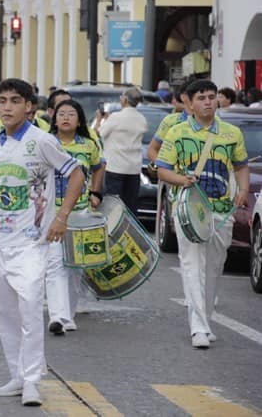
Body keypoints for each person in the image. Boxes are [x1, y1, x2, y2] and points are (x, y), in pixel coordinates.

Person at [0, 78, 85, 406]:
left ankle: (32, 381)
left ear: (29, 106)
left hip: (33, 242)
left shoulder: (42, 141)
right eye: (2, 100)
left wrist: (61, 217)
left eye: (15, 100)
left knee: (28, 309)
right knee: (5, 313)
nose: (7, 107)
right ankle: (16, 375)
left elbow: (76, 174)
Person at [156, 79, 249, 349]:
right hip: (189, 209)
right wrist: (182, 179)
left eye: (212, 97)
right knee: (192, 265)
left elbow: (241, 165)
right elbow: (162, 169)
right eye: (202, 98)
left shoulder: (232, 133)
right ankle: (198, 327)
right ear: (190, 103)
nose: (208, 101)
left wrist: (243, 189)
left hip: (222, 209)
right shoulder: (177, 132)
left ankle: (205, 319)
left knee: (214, 267)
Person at [46, 100, 103, 334]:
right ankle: (57, 316)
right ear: (55, 119)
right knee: (54, 263)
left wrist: (96, 192)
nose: (66, 118)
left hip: (79, 211)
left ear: (79, 120)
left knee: (75, 266)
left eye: (71, 114)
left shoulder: (89, 145)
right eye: (61, 114)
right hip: (52, 211)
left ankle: (68, 314)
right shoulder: (46, 143)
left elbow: (99, 167)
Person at [95, 87, 147, 216]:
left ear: (124, 100)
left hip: (115, 166)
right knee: (130, 206)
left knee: (112, 205)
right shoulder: (142, 119)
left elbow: (100, 132)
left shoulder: (116, 117)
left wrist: (99, 120)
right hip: (134, 168)